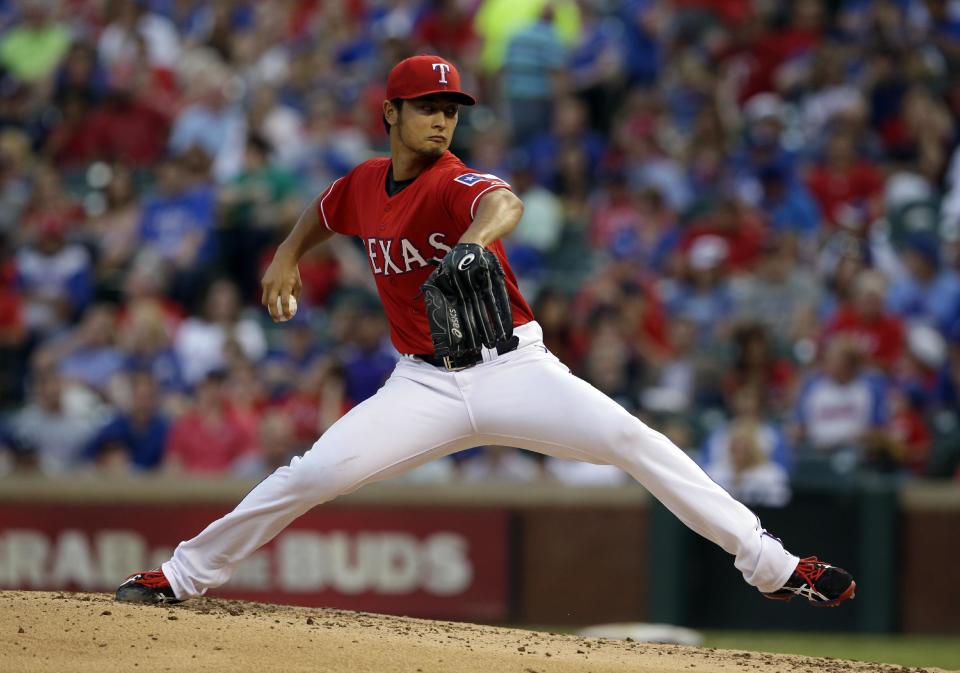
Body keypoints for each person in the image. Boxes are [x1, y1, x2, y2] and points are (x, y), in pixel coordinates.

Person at [116, 55, 855, 608]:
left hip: (514, 370)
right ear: (391, 115)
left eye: (452, 108)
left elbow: (503, 201)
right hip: (423, 382)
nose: (442, 119)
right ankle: (183, 576)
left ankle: (774, 565)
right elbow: (326, 207)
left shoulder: (453, 180)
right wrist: (285, 254)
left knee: (637, 441)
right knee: (310, 474)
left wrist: (473, 239)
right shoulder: (367, 184)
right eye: (427, 106)